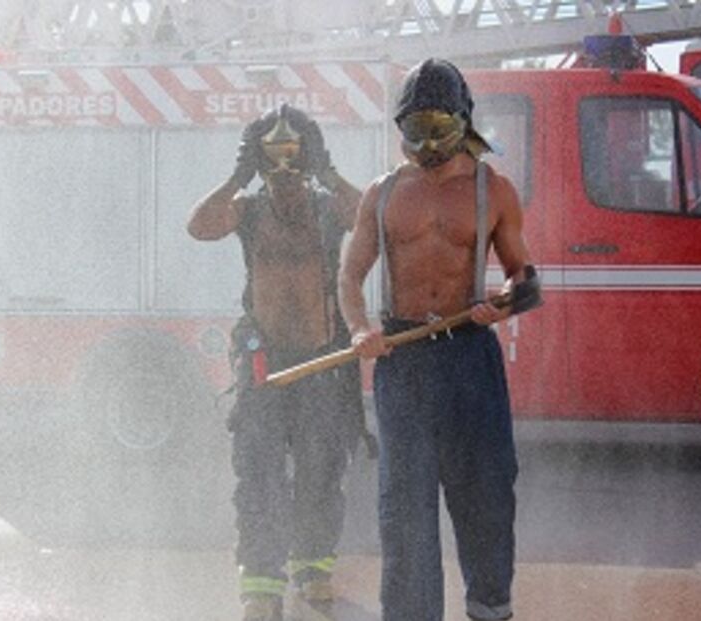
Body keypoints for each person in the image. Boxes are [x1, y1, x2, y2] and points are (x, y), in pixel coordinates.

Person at [338, 59, 542, 621]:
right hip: (403, 360)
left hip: (468, 358)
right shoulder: (381, 194)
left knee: (487, 496)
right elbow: (350, 275)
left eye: (439, 127)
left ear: (463, 122)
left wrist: (501, 304)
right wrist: (360, 329)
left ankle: (489, 609)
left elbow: (523, 275)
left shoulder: (493, 190)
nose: (427, 143)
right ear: (401, 129)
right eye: (416, 129)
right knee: (403, 511)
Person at [187, 103, 366, 621]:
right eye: (273, 159)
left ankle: (313, 567)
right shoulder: (248, 210)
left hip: (321, 360)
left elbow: (369, 216)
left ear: (307, 158)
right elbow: (198, 226)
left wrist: (327, 167)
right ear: (259, 164)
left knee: (320, 468)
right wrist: (238, 174)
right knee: (259, 470)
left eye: (295, 156)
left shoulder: (328, 207)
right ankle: (261, 582)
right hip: (263, 358)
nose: (284, 171)